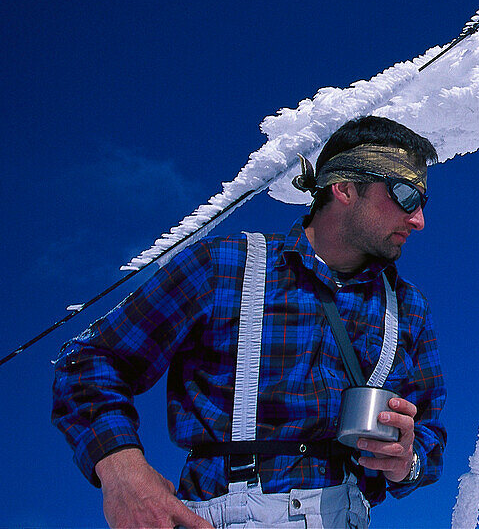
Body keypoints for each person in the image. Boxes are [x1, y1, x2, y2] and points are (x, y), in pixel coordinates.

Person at [53, 116, 446, 529]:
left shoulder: (407, 307)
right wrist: (121, 471)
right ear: (344, 187)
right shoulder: (222, 268)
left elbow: (430, 444)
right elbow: (91, 360)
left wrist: (407, 461)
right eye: (404, 195)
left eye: (423, 202)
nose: (418, 219)